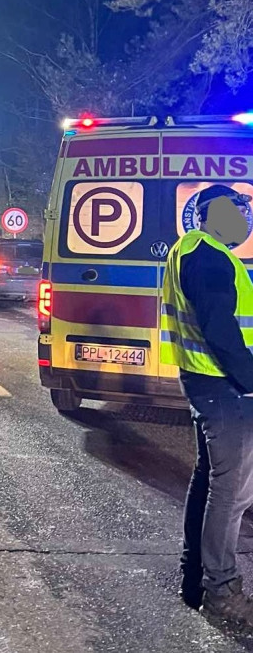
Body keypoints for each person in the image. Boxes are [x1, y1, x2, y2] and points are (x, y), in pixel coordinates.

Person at [162, 184, 253, 623]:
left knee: (210, 482)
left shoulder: (190, 249)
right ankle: (221, 590)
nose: (246, 217)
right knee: (232, 493)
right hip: (225, 389)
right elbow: (221, 330)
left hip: (205, 382)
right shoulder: (209, 255)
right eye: (241, 208)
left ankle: (195, 577)